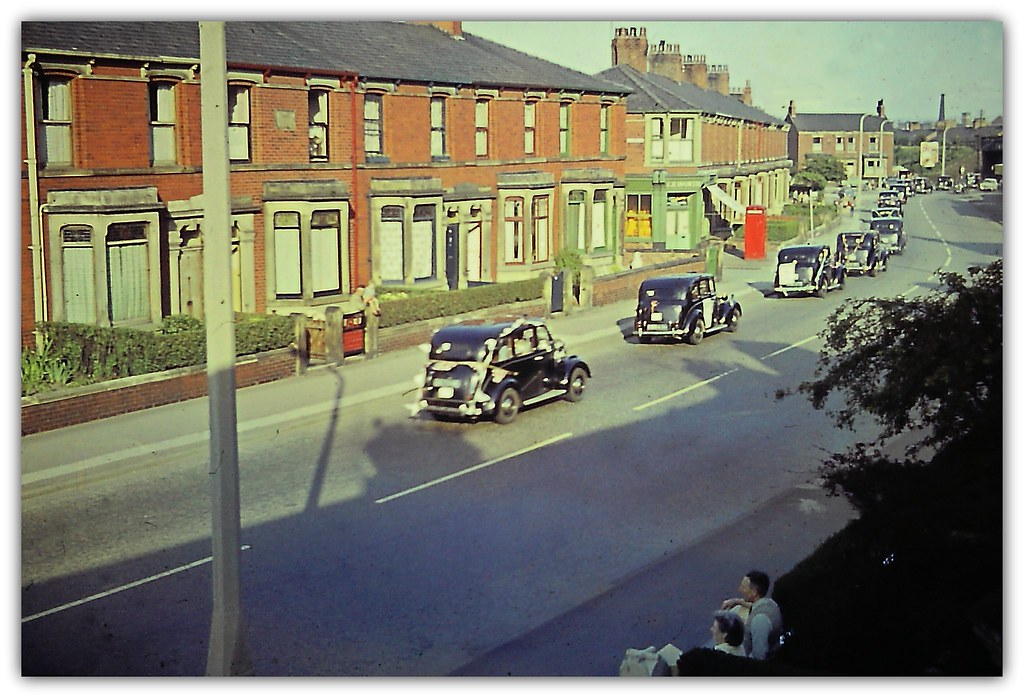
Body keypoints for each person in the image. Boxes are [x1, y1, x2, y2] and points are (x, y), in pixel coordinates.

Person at [721, 570, 784, 660]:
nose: (739, 589)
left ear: (754, 592)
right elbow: (753, 606)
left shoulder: (759, 620)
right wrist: (736, 601)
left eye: (743, 587)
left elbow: (759, 656)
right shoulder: (770, 604)